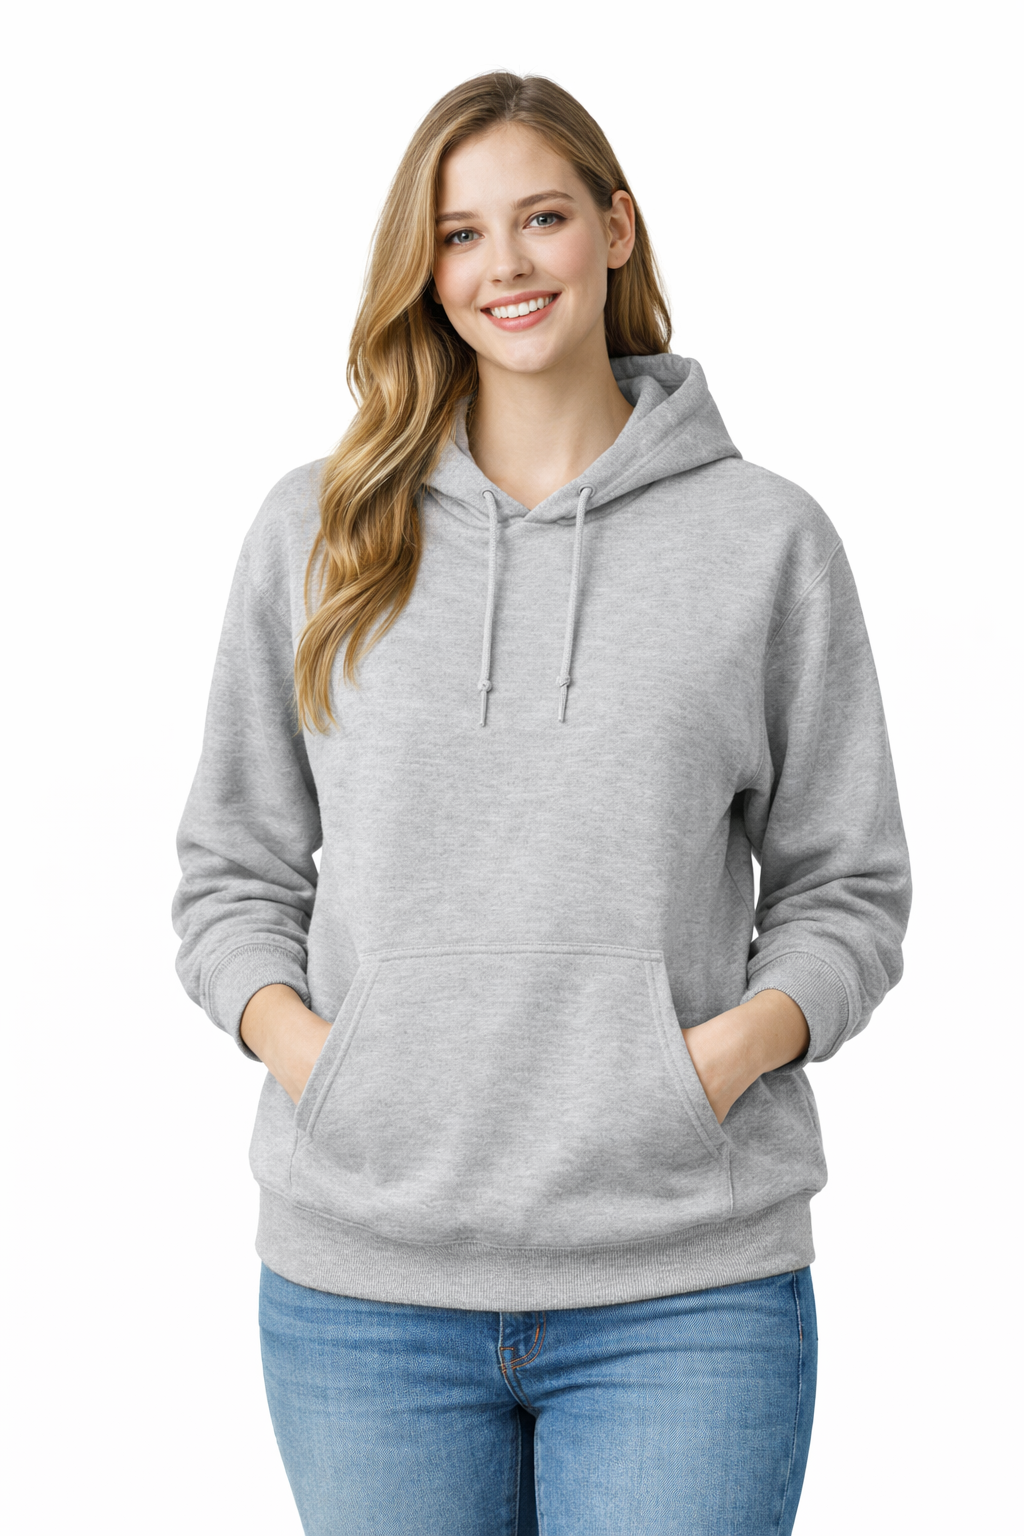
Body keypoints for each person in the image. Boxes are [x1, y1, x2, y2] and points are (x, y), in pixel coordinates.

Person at [173, 70, 911, 1536]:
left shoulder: (766, 540)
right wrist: (325, 1060)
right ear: (424, 268)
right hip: (365, 1292)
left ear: (615, 230)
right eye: (459, 234)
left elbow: (849, 887)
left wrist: (713, 1063)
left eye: (543, 218)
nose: (503, 265)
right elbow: (230, 872)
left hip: (685, 1286)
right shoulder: (319, 532)